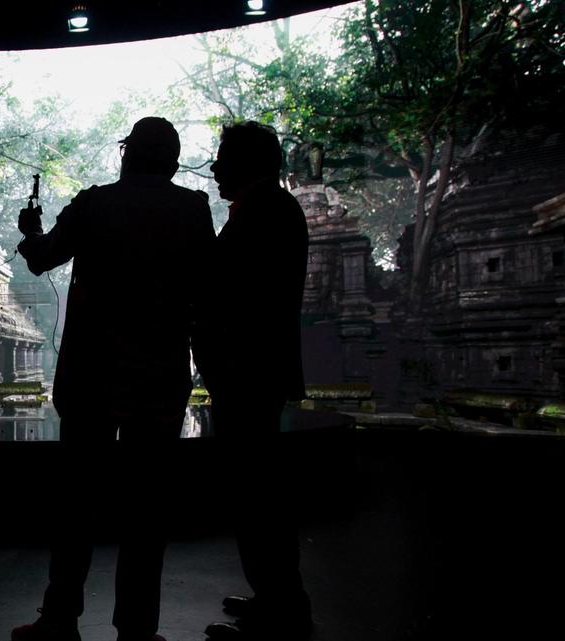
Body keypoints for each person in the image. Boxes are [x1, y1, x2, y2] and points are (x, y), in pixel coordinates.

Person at [10, 117, 215, 641]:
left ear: (126, 154)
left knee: (77, 503)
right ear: (171, 162)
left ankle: (59, 618)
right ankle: (138, 627)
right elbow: (205, 291)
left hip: (91, 377)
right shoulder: (193, 210)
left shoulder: (95, 204)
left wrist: (30, 232)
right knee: (148, 510)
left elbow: (43, 259)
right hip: (159, 377)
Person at [198, 121, 312, 641]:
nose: (215, 168)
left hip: (249, 371)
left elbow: (231, 289)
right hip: (253, 371)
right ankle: (275, 598)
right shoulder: (267, 209)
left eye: (222, 158)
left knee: (258, 494)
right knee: (257, 491)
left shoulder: (264, 213)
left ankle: (281, 611)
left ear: (246, 163)